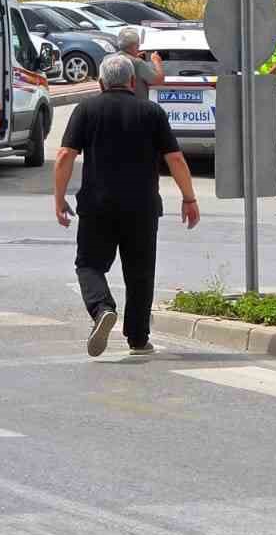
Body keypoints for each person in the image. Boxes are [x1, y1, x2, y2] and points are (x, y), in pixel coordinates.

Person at [54, 53, 200, 358]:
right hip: (142, 206)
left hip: (97, 205)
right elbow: (175, 158)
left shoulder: (86, 109)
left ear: (101, 82)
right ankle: (137, 338)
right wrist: (189, 197)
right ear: (133, 82)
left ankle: (102, 308)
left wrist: (59, 198)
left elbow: (65, 155)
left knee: (89, 265)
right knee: (140, 272)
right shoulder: (151, 112)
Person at [114, 29, 166, 94]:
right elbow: (159, 81)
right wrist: (157, 62)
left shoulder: (107, 59)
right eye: (138, 45)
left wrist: (134, 56)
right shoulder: (138, 63)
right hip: (134, 102)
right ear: (136, 46)